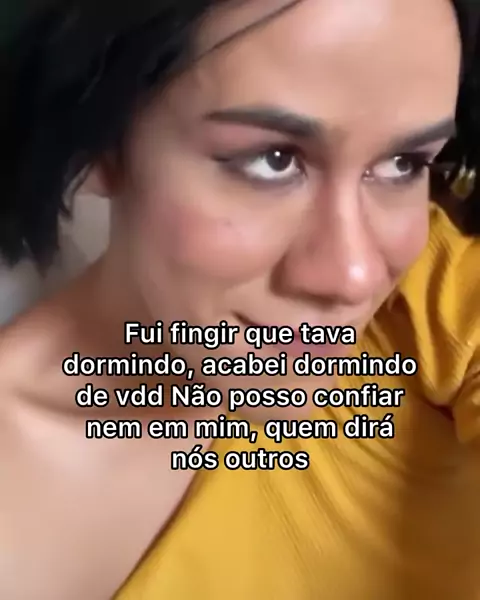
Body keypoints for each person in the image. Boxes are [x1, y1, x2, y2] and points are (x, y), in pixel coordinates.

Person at [0, 0, 479, 598]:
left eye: (404, 164)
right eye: (272, 161)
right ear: (99, 141)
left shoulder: (426, 292)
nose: (355, 276)